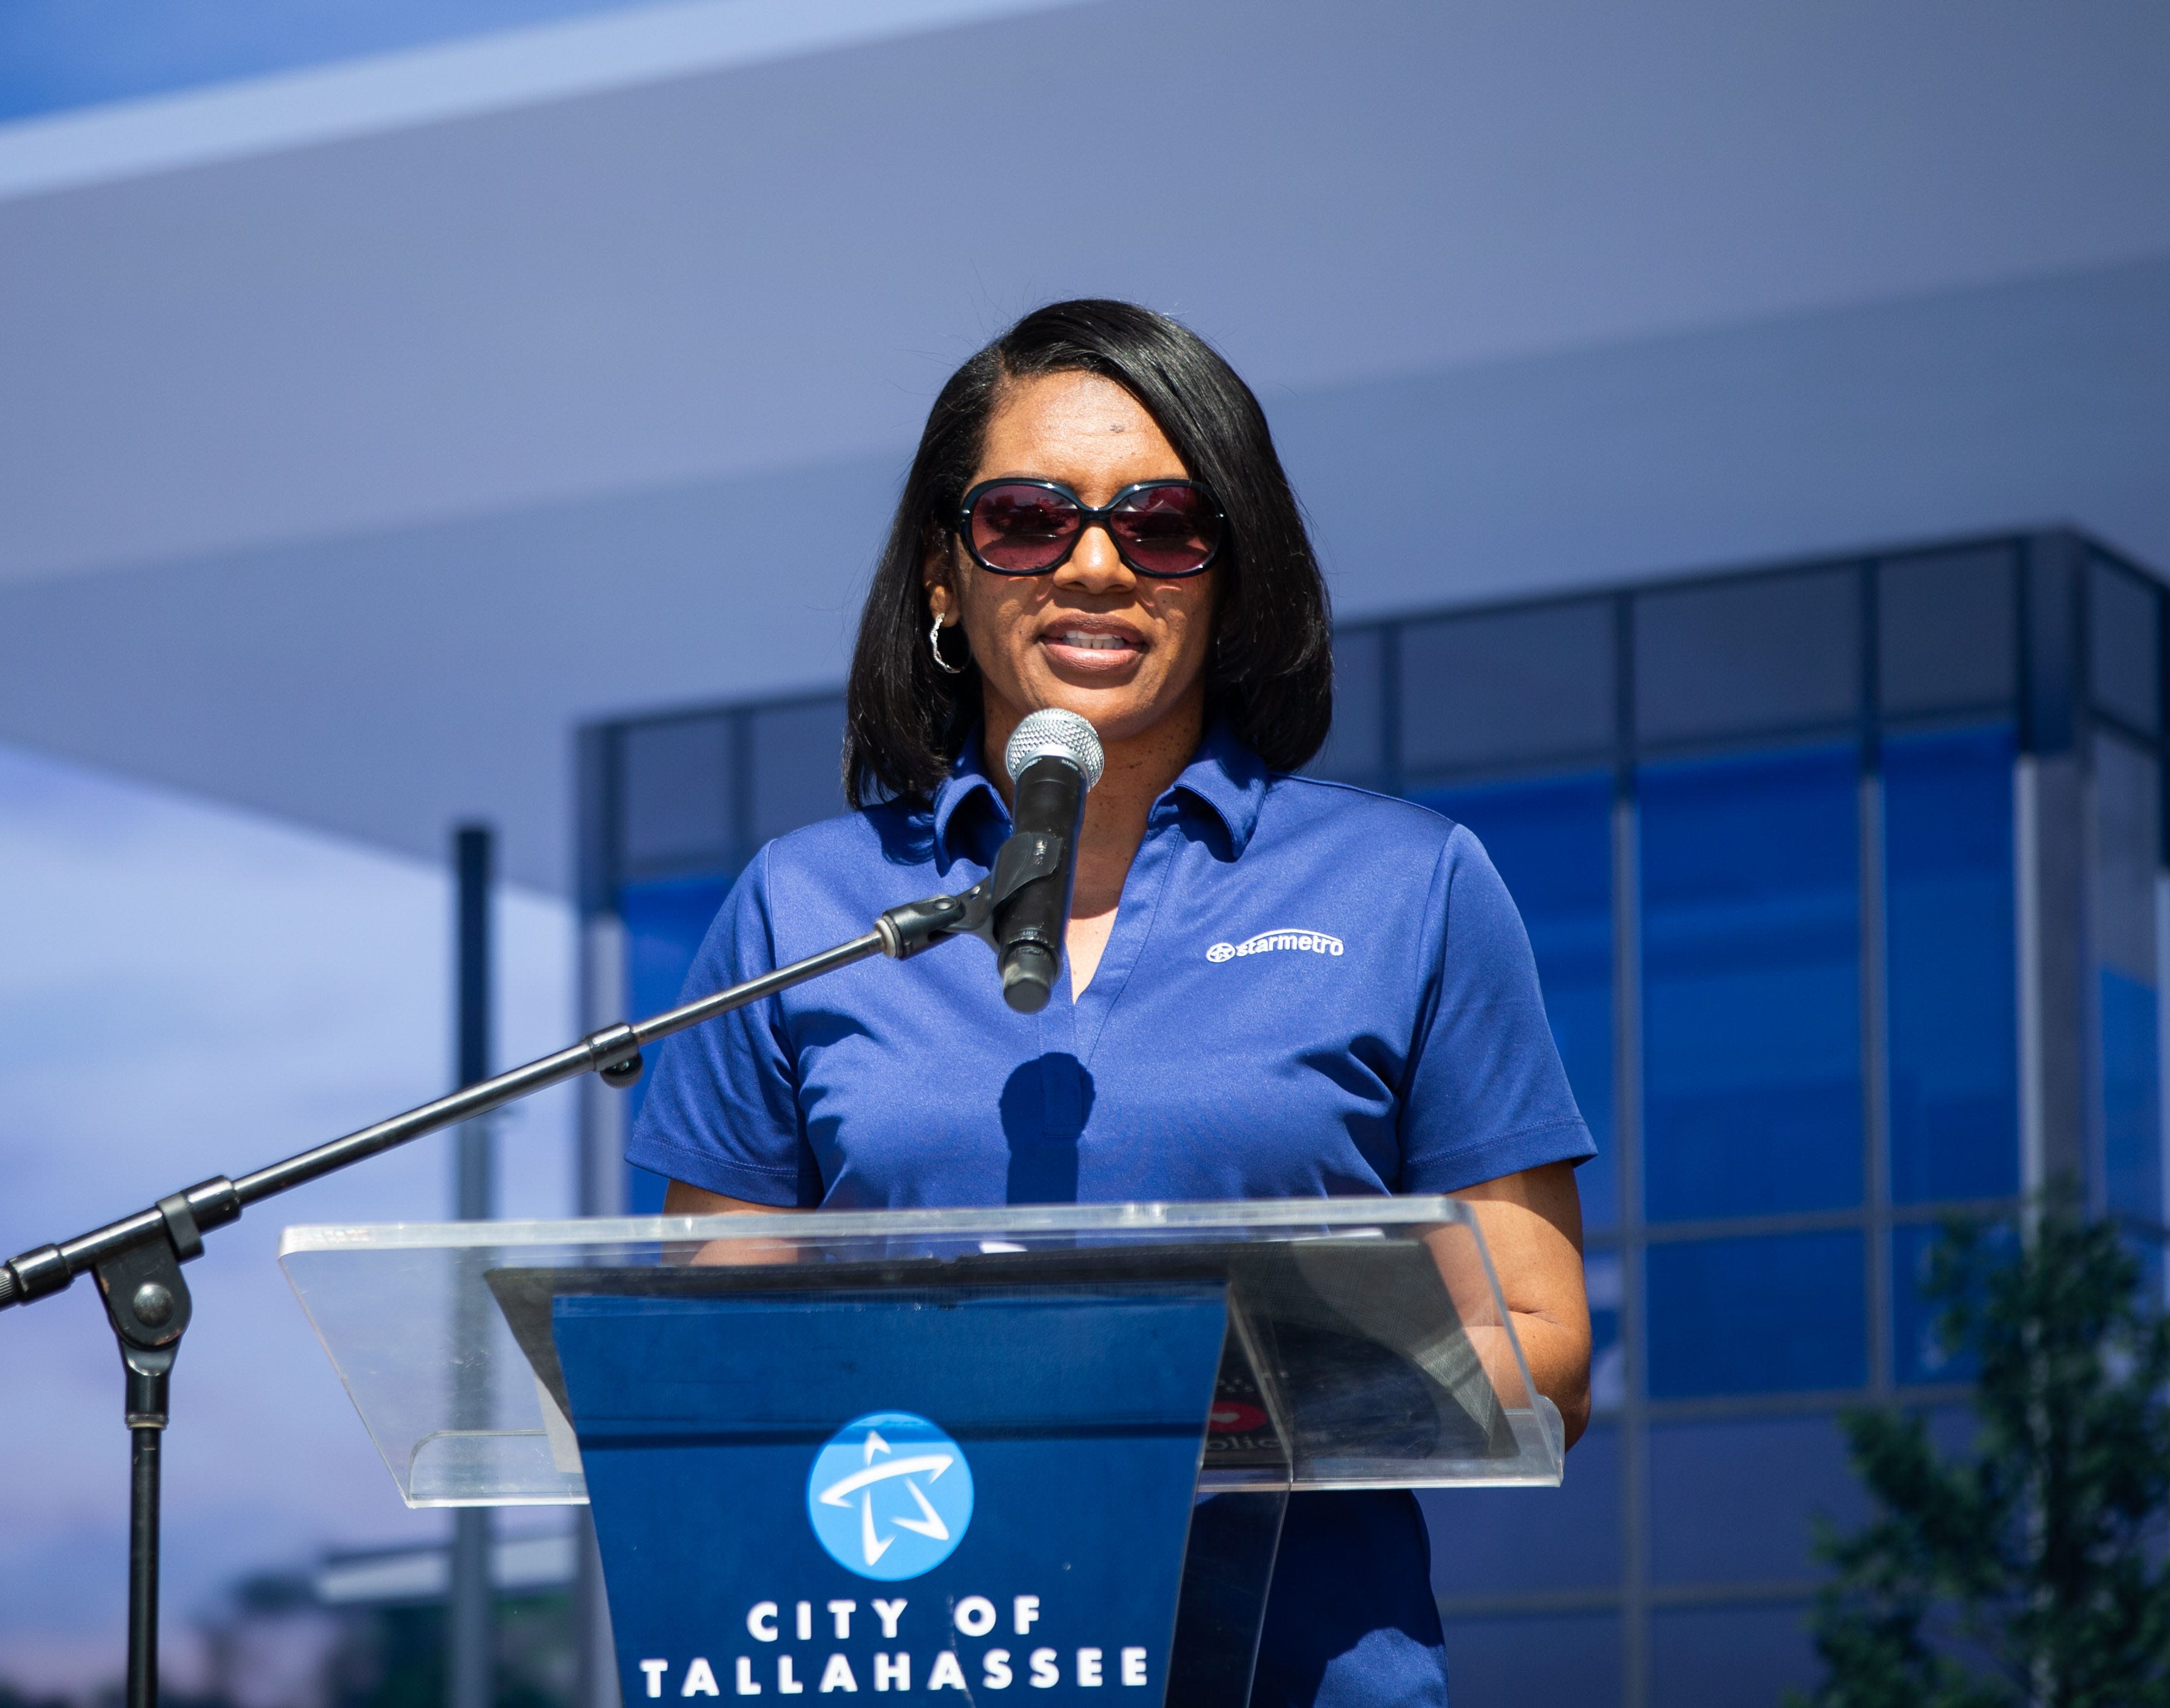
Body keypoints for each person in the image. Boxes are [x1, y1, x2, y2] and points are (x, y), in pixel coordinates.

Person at [627, 299, 1594, 1706]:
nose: (1094, 565)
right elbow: (715, 1373)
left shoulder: (1413, 885)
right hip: (906, 1664)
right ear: (943, 578)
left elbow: (1547, 1350)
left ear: (1231, 575)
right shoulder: (806, 914)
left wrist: (1247, 1387)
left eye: (1163, 525)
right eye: (1026, 520)